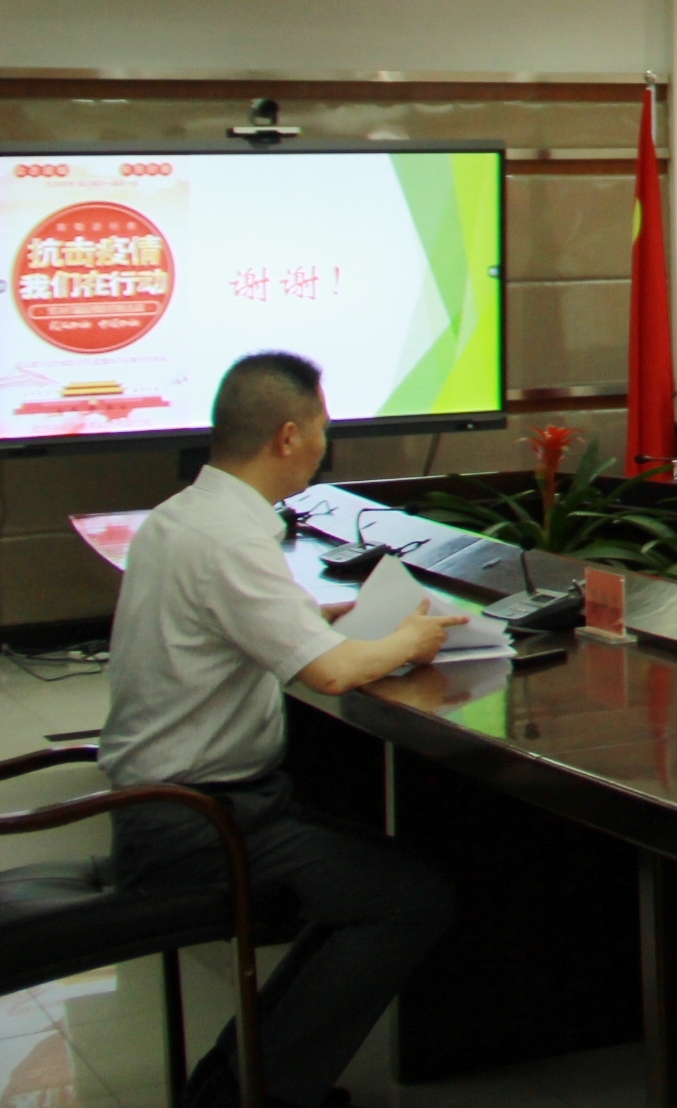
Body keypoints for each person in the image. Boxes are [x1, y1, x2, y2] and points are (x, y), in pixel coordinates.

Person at [100, 353, 462, 1108]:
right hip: (200, 823)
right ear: (289, 436)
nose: (328, 440)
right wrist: (410, 639)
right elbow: (328, 674)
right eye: (324, 425)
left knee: (376, 878)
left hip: (168, 805)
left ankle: (245, 1079)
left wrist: (317, 617)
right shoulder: (230, 539)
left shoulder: (183, 516)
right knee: (408, 897)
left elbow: (233, 619)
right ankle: (254, 1094)